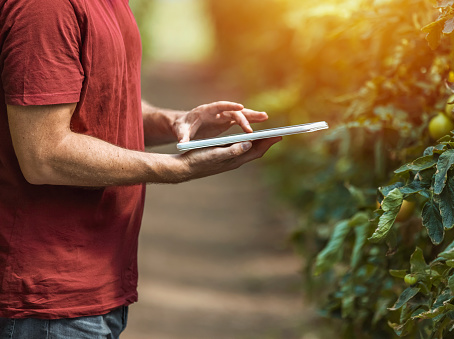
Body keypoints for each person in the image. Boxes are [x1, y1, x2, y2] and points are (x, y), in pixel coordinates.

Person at [0, 0, 281, 337]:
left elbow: (105, 103)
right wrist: (175, 169)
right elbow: (44, 154)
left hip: (99, 278)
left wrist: (178, 121)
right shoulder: (46, 8)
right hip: (44, 294)